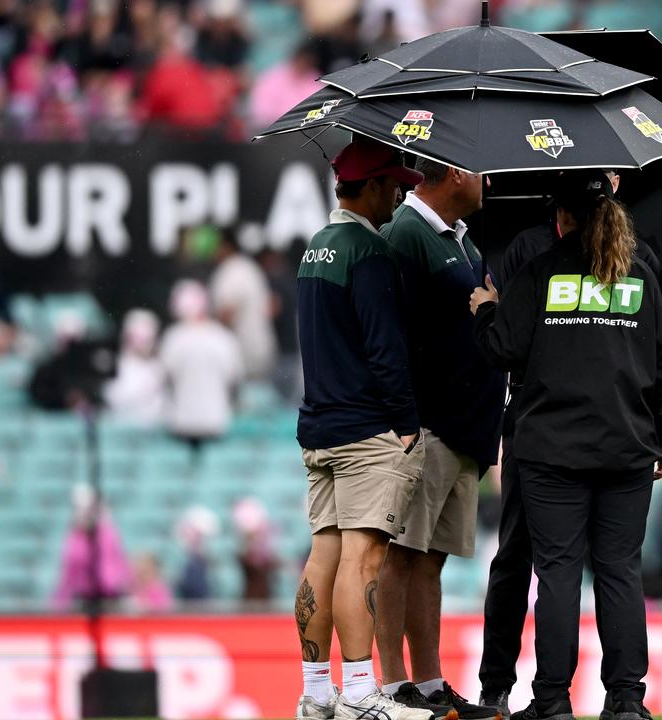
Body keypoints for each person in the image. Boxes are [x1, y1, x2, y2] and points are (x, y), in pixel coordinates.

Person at [469, 169, 662, 720]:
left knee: (558, 573)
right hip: (626, 448)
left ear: (559, 217)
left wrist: (486, 309)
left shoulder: (540, 271)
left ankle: (553, 701)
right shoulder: (641, 274)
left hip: (551, 452)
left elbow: (502, 349)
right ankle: (627, 700)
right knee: (619, 570)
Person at [289, 138, 435, 720]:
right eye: (394, 185)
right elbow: (384, 350)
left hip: (320, 427)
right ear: (371, 186)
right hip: (367, 430)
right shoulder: (368, 254)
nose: (399, 195)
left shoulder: (315, 249)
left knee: (322, 559)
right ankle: (358, 694)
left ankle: (316, 694)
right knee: (363, 562)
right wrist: (406, 424)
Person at [376, 157, 503, 720]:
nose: (489, 183)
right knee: (399, 555)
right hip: (427, 423)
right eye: (483, 173)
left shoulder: (462, 241)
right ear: (456, 174)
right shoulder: (407, 233)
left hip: (466, 425)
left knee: (430, 560)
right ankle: (392, 685)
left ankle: (427, 686)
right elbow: (394, 330)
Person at [158, 280, 243, 453]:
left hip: (181, 423)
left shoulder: (173, 338)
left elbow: (164, 379)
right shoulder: (223, 338)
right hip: (217, 422)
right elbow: (235, 380)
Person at [209, 227, 278, 381]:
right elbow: (271, 306)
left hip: (244, 353)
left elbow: (227, 314)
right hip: (262, 349)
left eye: (216, 245)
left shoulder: (232, 270)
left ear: (226, 246)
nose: (213, 251)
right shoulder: (249, 267)